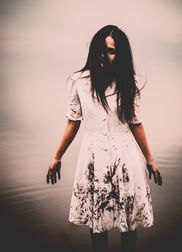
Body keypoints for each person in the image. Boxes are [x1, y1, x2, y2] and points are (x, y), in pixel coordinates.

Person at [46, 25, 162, 252]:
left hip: (125, 158)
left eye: (111, 51)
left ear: (120, 56)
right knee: (97, 224)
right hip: (93, 157)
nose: (103, 55)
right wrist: (56, 157)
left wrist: (150, 159)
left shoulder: (130, 83)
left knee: (128, 224)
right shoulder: (79, 82)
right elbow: (73, 122)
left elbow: (135, 123)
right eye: (101, 49)